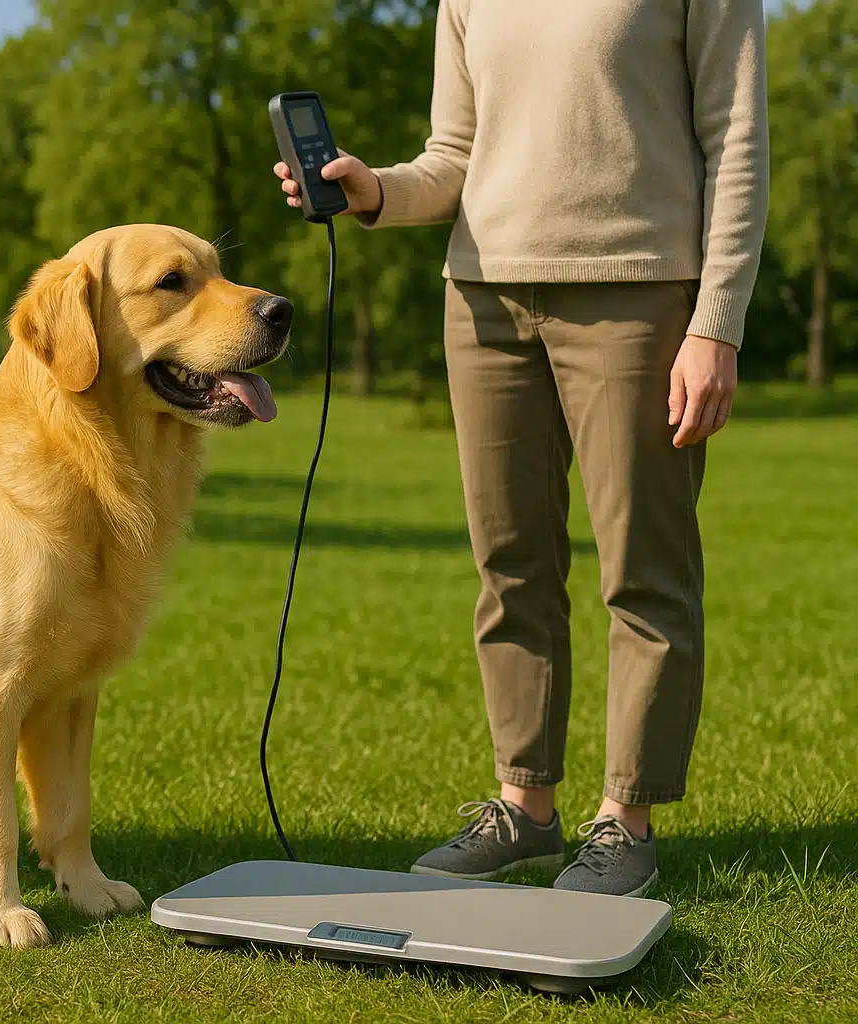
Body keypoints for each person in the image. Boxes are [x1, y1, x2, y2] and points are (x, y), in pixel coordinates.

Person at [276, 0, 768, 897]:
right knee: (509, 564)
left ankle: (627, 821)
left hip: (639, 293)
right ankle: (525, 809)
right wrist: (374, 189)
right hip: (483, 303)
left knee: (644, 571)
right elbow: (454, 157)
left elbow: (736, 139)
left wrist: (717, 325)